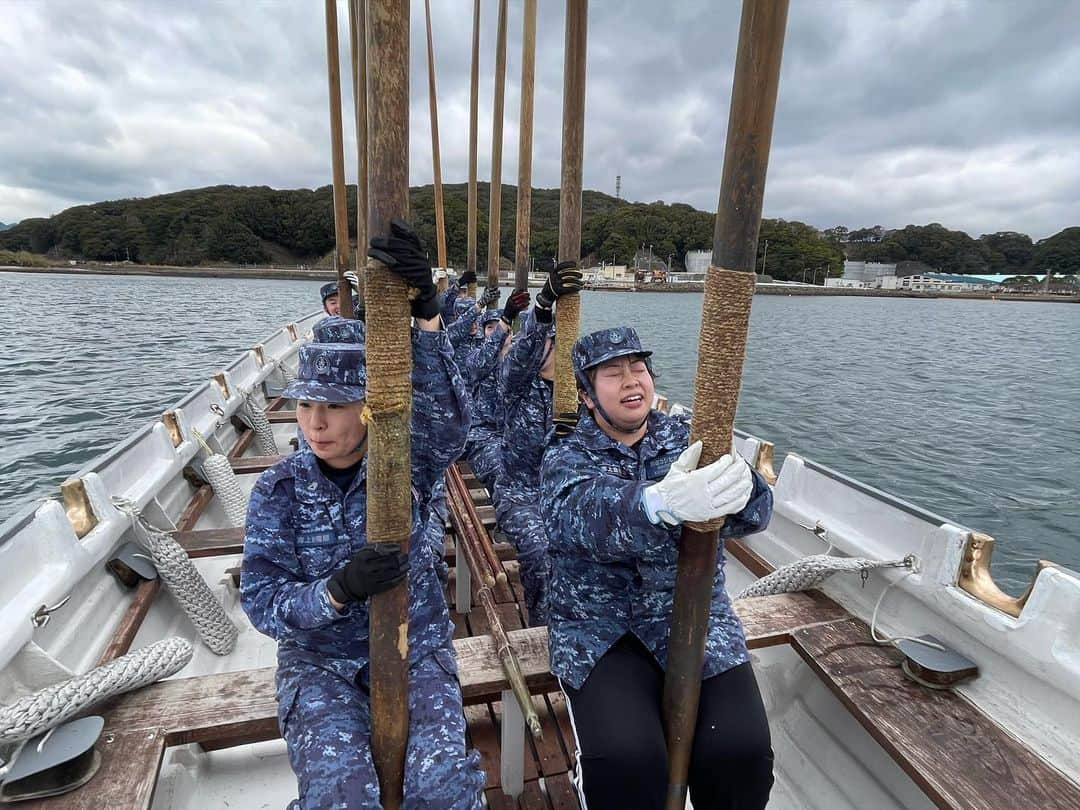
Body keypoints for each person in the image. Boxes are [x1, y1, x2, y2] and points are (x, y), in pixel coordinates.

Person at [241, 219, 484, 809]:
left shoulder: (403, 463)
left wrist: (428, 312)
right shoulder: (278, 489)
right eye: (304, 405)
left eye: (335, 406)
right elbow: (263, 602)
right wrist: (337, 591)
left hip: (413, 642)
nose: (315, 423)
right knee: (340, 799)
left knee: (446, 793)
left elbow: (451, 422)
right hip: (320, 664)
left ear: (369, 407)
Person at [539, 326, 775, 810]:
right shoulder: (565, 455)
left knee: (742, 754)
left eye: (638, 369)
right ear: (586, 396)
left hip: (696, 618)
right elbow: (579, 514)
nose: (631, 381)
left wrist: (746, 490)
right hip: (602, 630)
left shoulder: (693, 440)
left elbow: (756, 516)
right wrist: (655, 503)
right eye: (612, 373)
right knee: (628, 763)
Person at [493, 262, 583, 626]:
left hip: (568, 495)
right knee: (542, 552)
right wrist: (543, 306)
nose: (556, 352)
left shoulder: (584, 398)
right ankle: (542, 627)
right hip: (520, 493)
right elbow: (521, 356)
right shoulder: (518, 387)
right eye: (550, 345)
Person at [461, 289, 529, 496]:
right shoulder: (475, 358)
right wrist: (505, 319)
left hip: (516, 433)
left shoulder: (520, 361)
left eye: (498, 328)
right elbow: (483, 360)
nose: (495, 331)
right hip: (484, 434)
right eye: (490, 328)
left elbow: (537, 345)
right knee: (501, 470)